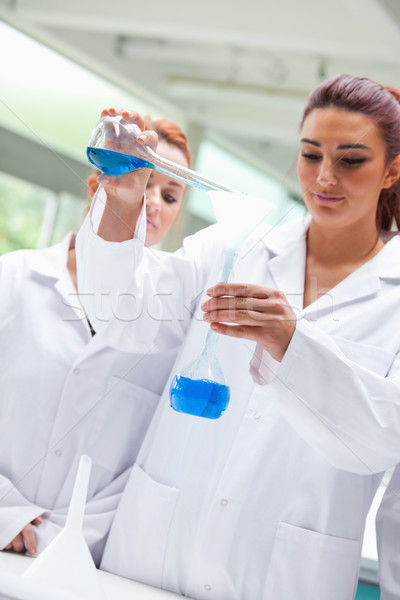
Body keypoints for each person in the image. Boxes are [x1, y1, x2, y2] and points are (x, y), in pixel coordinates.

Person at [75, 74, 400, 599]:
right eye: (311, 153)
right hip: (152, 561)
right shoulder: (235, 245)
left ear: (392, 170)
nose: (324, 177)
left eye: (351, 159)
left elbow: (381, 439)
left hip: (286, 577)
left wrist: (291, 343)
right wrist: (122, 198)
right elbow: (121, 318)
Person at [0, 117, 191, 563]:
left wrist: (68, 541)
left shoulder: (171, 319)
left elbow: (149, 457)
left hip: (85, 561)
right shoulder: (14, 277)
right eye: (140, 181)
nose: (153, 204)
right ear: (97, 184)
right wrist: (6, 514)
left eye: (169, 194)